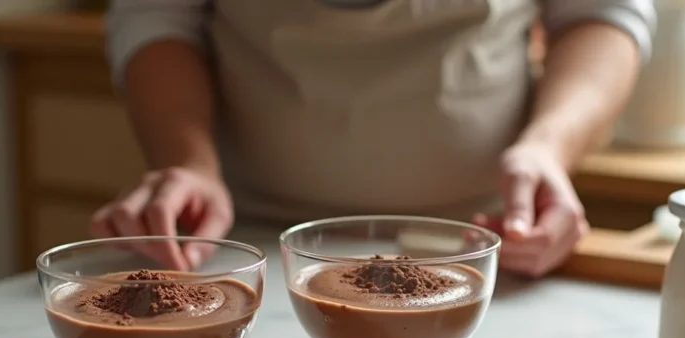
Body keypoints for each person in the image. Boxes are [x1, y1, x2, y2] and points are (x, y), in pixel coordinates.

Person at [92, 0, 655, 277]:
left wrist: (549, 148)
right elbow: (157, 17)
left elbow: (601, 14)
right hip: (240, 244)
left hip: (481, 250)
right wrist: (187, 161)